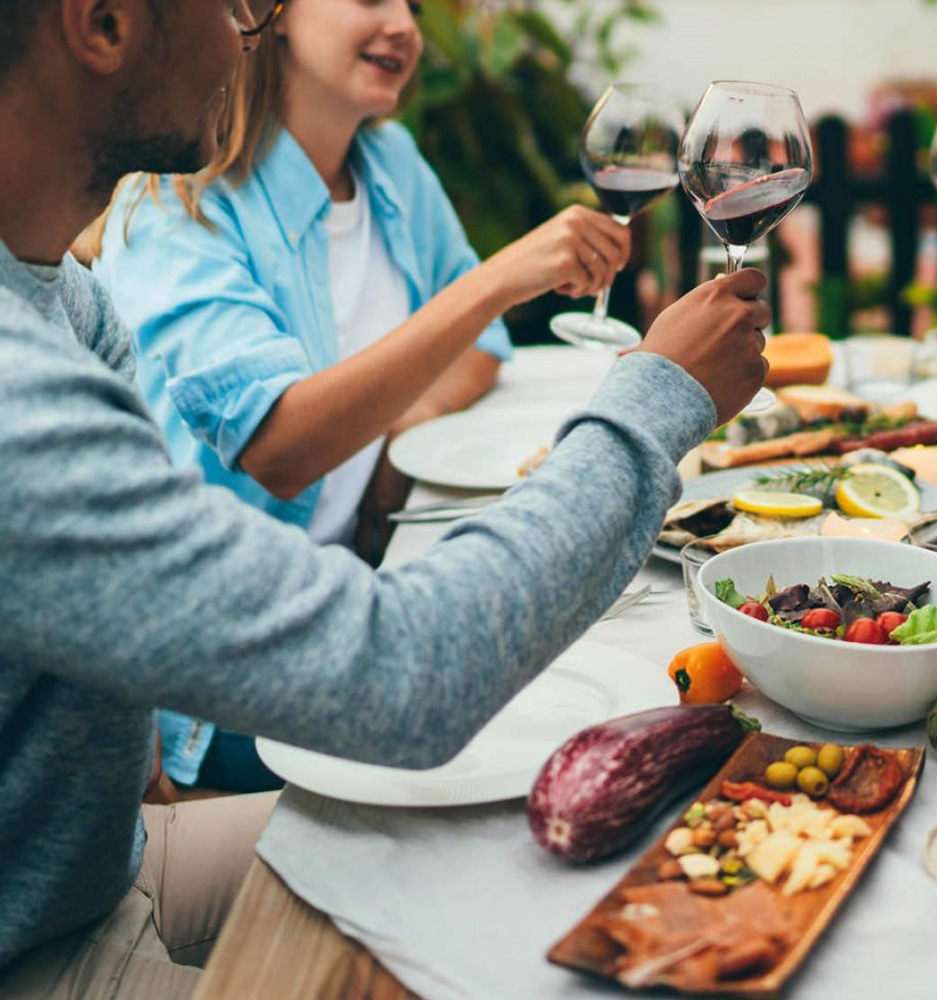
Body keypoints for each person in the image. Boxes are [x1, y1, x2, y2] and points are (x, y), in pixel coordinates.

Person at [0, 0, 768, 993]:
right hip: (41, 949)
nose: (246, 28)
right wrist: (657, 399)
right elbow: (402, 670)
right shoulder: (21, 393)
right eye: (236, 2)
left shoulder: (62, 297)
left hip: (110, 869)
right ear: (101, 23)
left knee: (592, 836)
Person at [90, 0, 632, 795]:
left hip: (357, 597)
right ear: (268, 13)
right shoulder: (178, 205)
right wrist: (495, 281)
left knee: (592, 684)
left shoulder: (389, 163)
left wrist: (399, 429)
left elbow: (477, 350)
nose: (404, 26)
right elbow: (279, 448)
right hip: (232, 670)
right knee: (539, 738)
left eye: (411, 4)